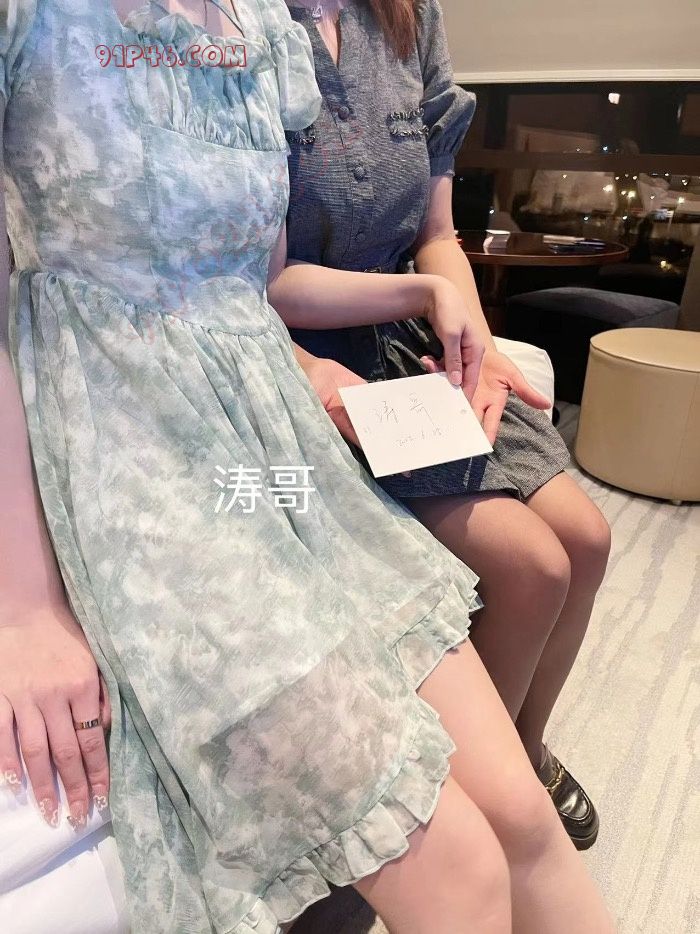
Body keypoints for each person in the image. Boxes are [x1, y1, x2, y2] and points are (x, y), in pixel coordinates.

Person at [0, 1, 614, 931]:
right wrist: (25, 609)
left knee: (522, 823)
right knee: (461, 874)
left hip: (277, 446)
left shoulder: (255, 22)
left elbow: (257, 286)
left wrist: (426, 289)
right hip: (135, 460)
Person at [271, 0, 612, 850]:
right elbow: (248, 278)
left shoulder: (407, 16)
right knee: (531, 566)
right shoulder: (237, 24)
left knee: (586, 538)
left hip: (413, 337)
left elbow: (436, 236)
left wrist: (478, 348)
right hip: (306, 350)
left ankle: (521, 754)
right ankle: (477, 809)